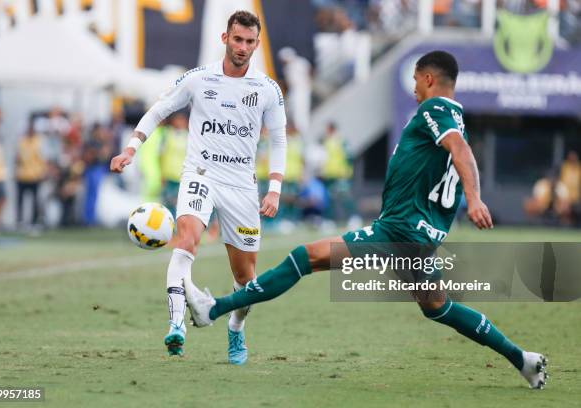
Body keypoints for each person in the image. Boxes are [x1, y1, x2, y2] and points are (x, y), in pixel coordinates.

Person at [185, 51, 548, 389]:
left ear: (428, 78)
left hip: (399, 230)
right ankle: (522, 359)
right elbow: (459, 151)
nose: (414, 88)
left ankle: (213, 309)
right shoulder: (455, 118)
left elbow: (461, 151)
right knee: (438, 307)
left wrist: (475, 199)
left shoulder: (435, 109)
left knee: (305, 256)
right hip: (421, 235)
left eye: (416, 81)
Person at [110, 10, 287, 364]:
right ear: (225, 39)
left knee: (246, 277)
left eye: (250, 42)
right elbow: (159, 110)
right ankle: (177, 324)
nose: (243, 47)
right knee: (186, 239)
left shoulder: (266, 89)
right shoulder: (198, 79)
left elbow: (279, 139)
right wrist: (131, 146)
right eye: (237, 39)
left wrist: (274, 189)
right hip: (200, 174)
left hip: (241, 185)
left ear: (256, 43)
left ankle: (235, 330)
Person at [16, 122, 47, 230]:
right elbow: (18, 157)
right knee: (20, 200)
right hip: (22, 175)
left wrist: (43, 172)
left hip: (35, 175)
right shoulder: (22, 141)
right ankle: (20, 221)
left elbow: (43, 159)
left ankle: (34, 222)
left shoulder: (39, 142)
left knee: (35, 200)